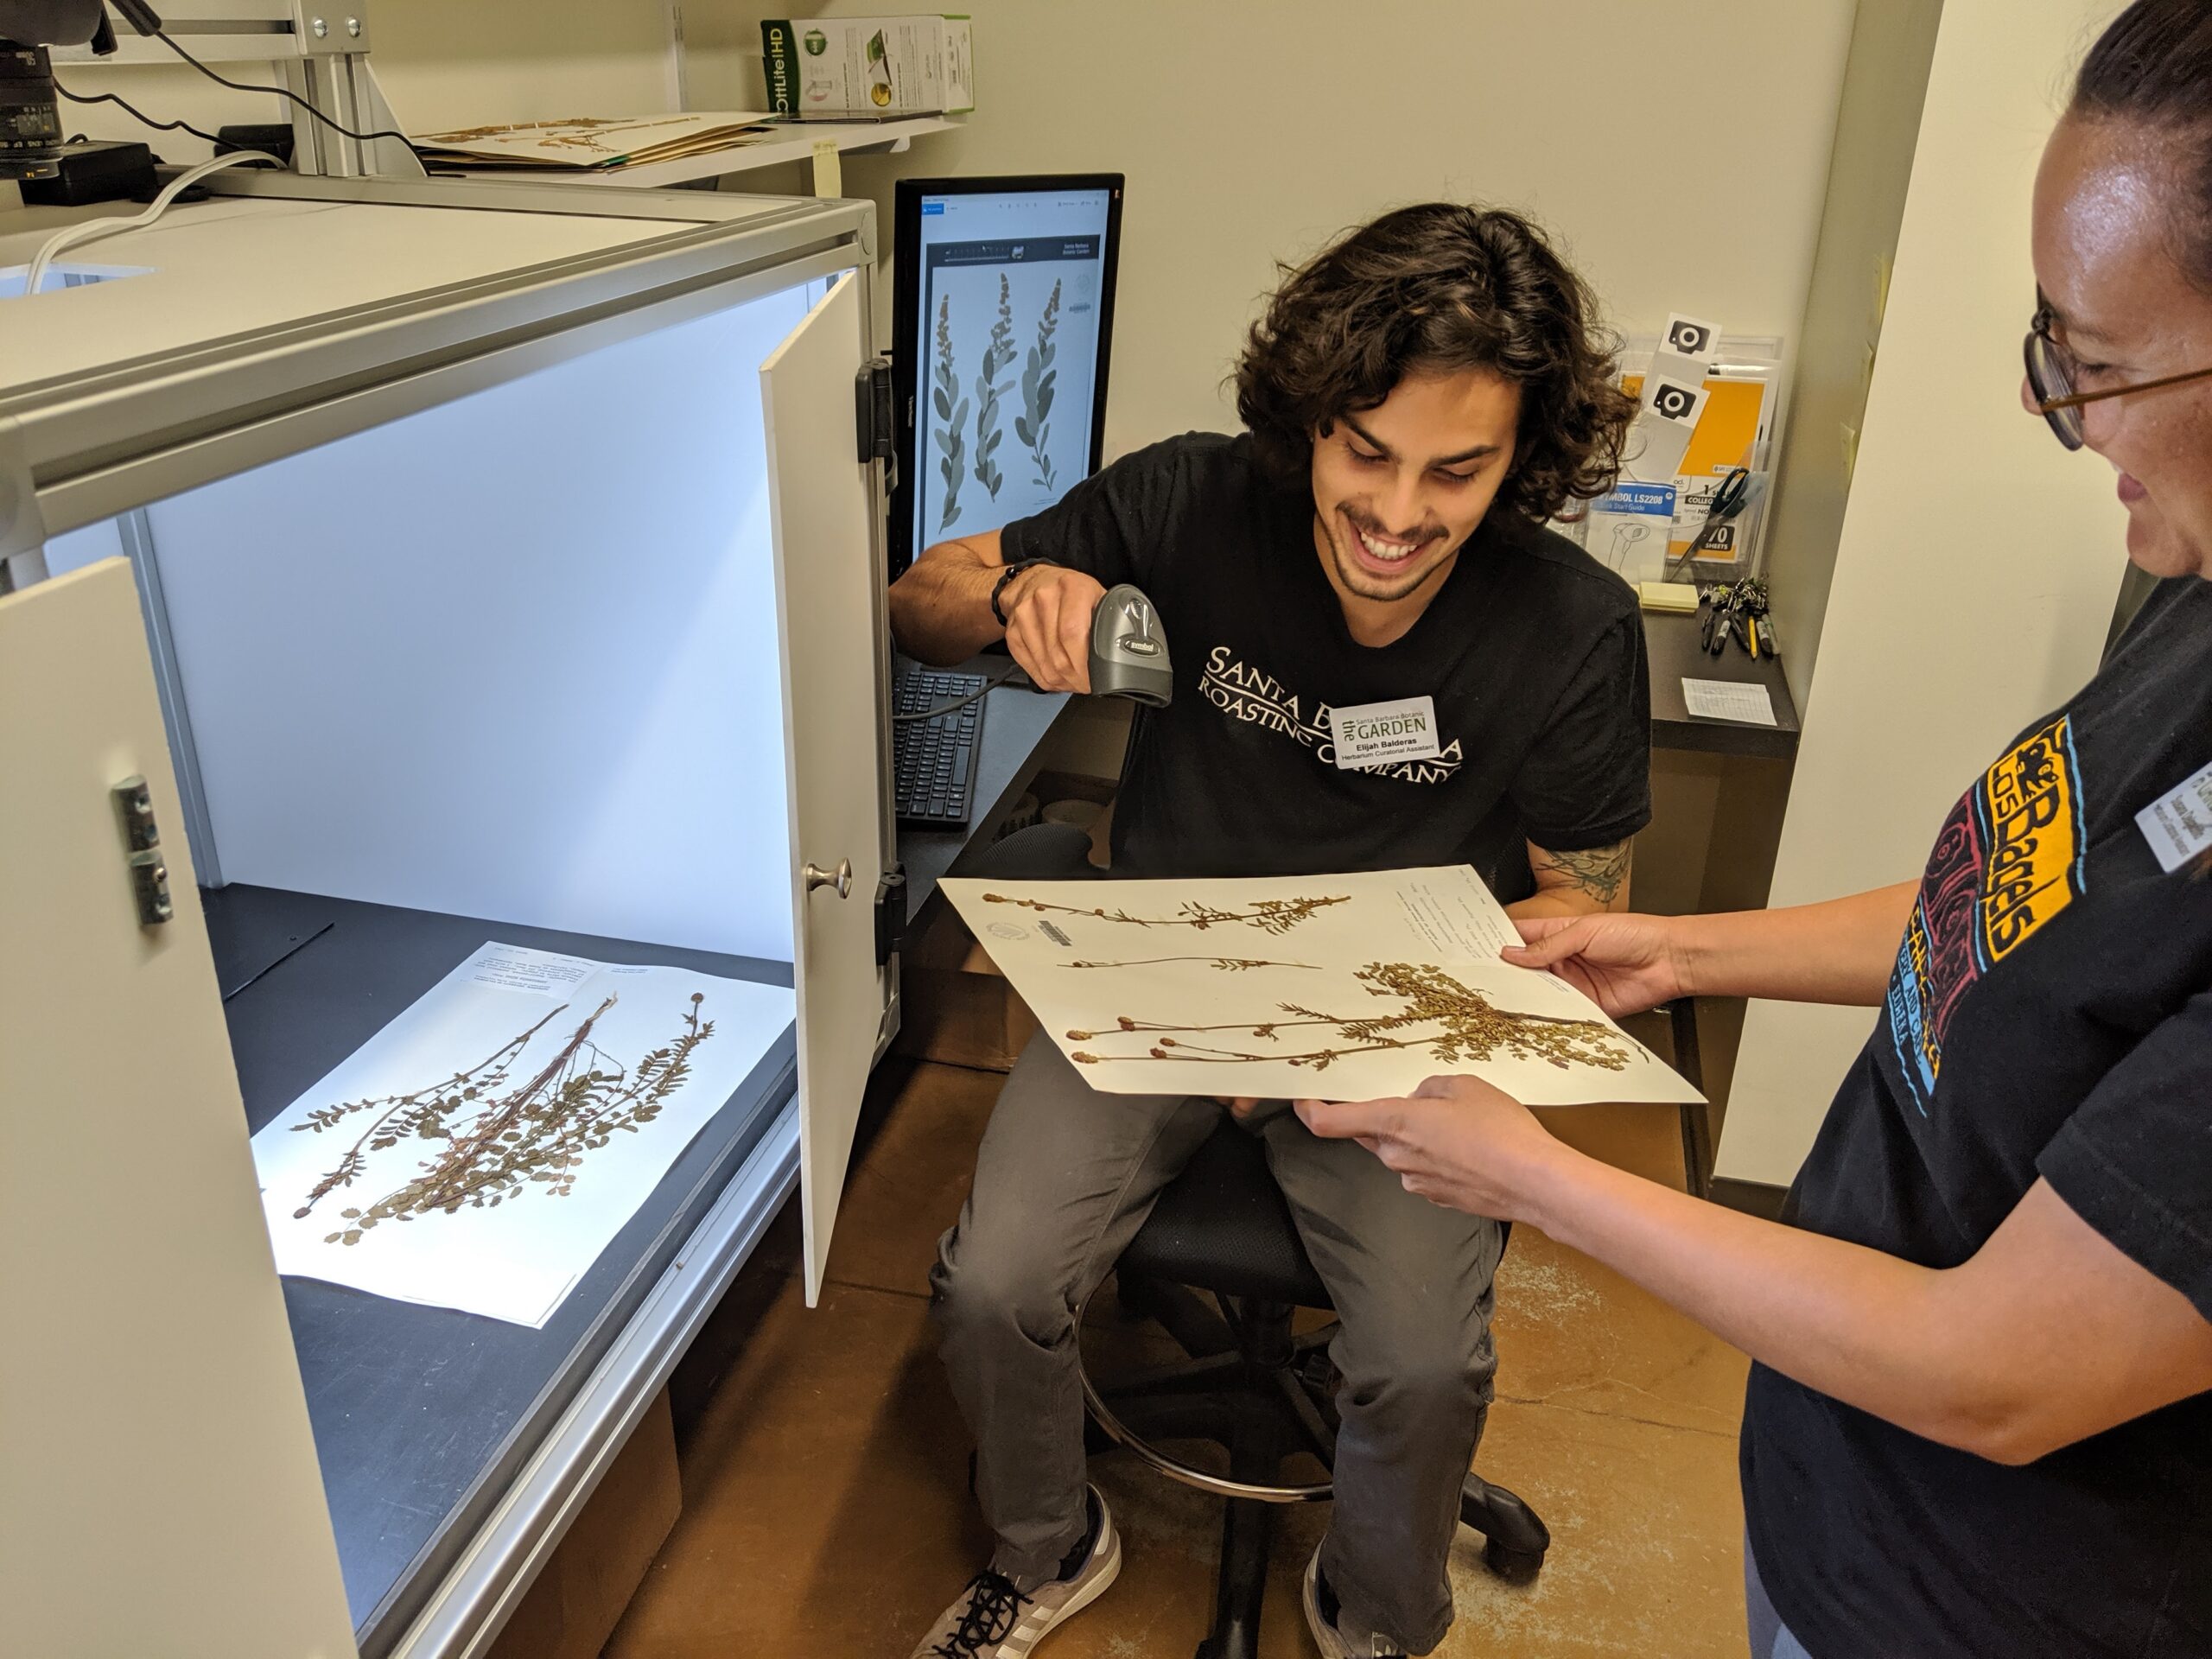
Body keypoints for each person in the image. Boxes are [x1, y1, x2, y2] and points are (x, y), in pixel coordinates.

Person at [1298, 6, 2212, 1655]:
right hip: (1847, 1505)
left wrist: (1533, 1179)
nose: (2053, 413)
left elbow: (2005, 1376)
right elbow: (2027, 913)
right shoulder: (2192, 577)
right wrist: (1682, 950)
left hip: (2007, 1598)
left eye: (2096, 360)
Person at [890, 203, 1647, 1657]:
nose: (1398, 513)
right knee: (991, 1285)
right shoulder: (1189, 501)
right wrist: (1010, 591)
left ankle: (1378, 1614)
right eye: (1366, 452)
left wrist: (1400, 1020)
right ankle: (1049, 1546)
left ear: (1523, 462)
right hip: (1159, 972)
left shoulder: (1571, 627)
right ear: (1309, 421)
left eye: (1458, 470)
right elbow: (920, 600)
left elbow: (1583, 905)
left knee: (1423, 1362)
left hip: (1389, 1026)